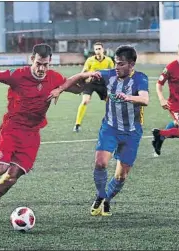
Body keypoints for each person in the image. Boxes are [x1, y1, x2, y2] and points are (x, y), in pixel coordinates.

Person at [0, 43, 100, 224]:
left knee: (12, 176)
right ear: (32, 60)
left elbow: (76, 89)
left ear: (50, 63)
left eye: (45, 65)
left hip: (32, 135)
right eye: (38, 63)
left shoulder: (54, 78)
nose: (41, 68)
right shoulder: (18, 75)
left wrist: (89, 81)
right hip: (11, 129)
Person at [54, 45, 149, 216]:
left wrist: (129, 97)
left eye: (121, 64)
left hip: (132, 133)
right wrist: (60, 89)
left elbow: (145, 99)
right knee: (100, 163)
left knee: (121, 177)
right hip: (110, 128)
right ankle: (100, 195)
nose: (116, 67)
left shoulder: (140, 78)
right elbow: (81, 76)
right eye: (115, 63)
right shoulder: (109, 74)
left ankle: (107, 200)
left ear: (131, 64)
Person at [73, 42, 114, 132]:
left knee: (111, 103)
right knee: (85, 101)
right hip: (90, 83)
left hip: (102, 84)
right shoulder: (90, 60)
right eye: (96, 49)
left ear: (103, 50)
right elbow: (83, 72)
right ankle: (77, 124)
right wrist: (80, 84)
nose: (98, 51)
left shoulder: (109, 61)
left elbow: (113, 73)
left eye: (99, 49)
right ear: (94, 51)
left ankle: (115, 123)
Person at [152, 45, 179, 156]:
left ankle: (160, 137)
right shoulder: (171, 67)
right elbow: (159, 84)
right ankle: (159, 134)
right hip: (175, 104)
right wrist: (161, 98)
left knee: (176, 124)